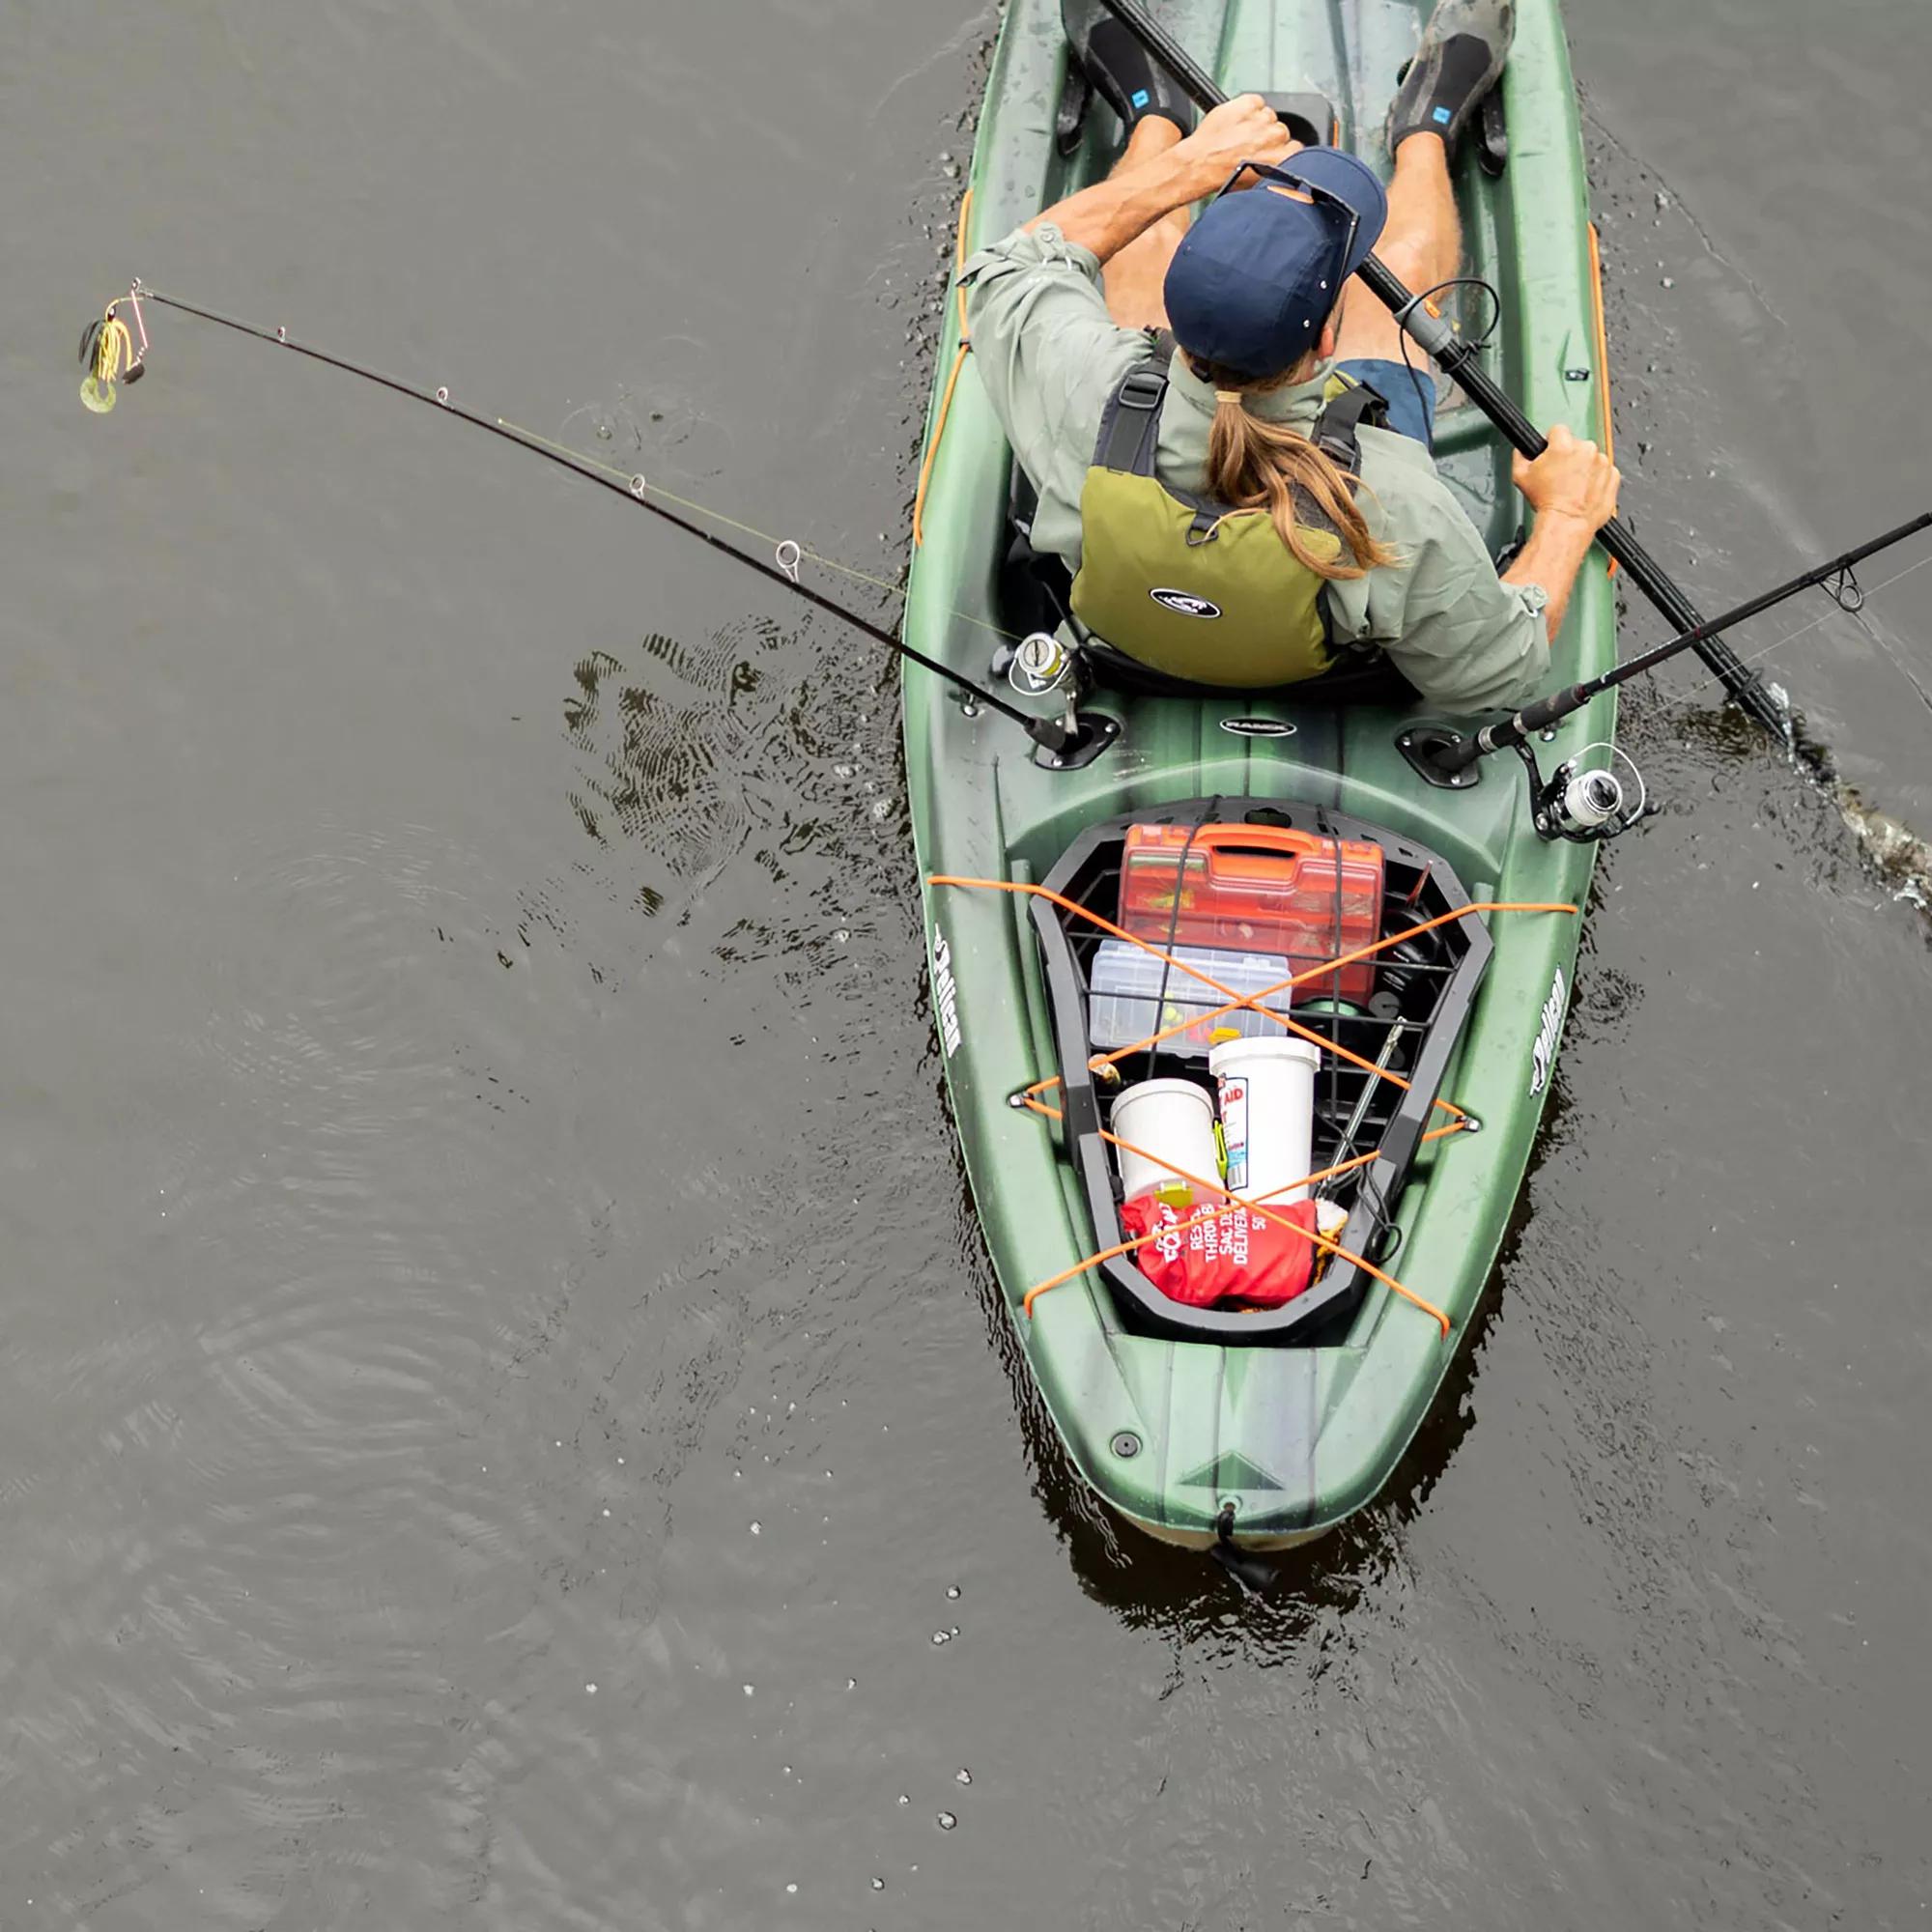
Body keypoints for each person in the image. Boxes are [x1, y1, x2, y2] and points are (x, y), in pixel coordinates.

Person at [957, 0, 1622, 709]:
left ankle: (1158, 120)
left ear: (1168, 321)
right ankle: (1421, 135)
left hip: (1123, 642)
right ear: (1326, 342)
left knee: (1141, 241)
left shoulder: (1080, 383)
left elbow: (1016, 266)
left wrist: (1189, 170)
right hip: (1312, 666)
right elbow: (1498, 672)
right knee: (1399, 266)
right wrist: (1565, 519)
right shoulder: (1393, 498)